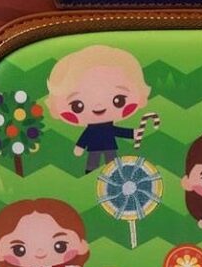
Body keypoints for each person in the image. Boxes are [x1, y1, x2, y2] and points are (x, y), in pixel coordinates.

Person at [47, 45, 151, 173]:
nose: (99, 107)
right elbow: (88, 136)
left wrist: (133, 133)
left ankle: (113, 174)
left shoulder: (106, 127)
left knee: (111, 162)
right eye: (77, 106)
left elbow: (117, 131)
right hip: (95, 147)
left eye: (118, 100)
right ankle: (92, 174)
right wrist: (80, 146)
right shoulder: (92, 129)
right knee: (93, 161)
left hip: (108, 146)